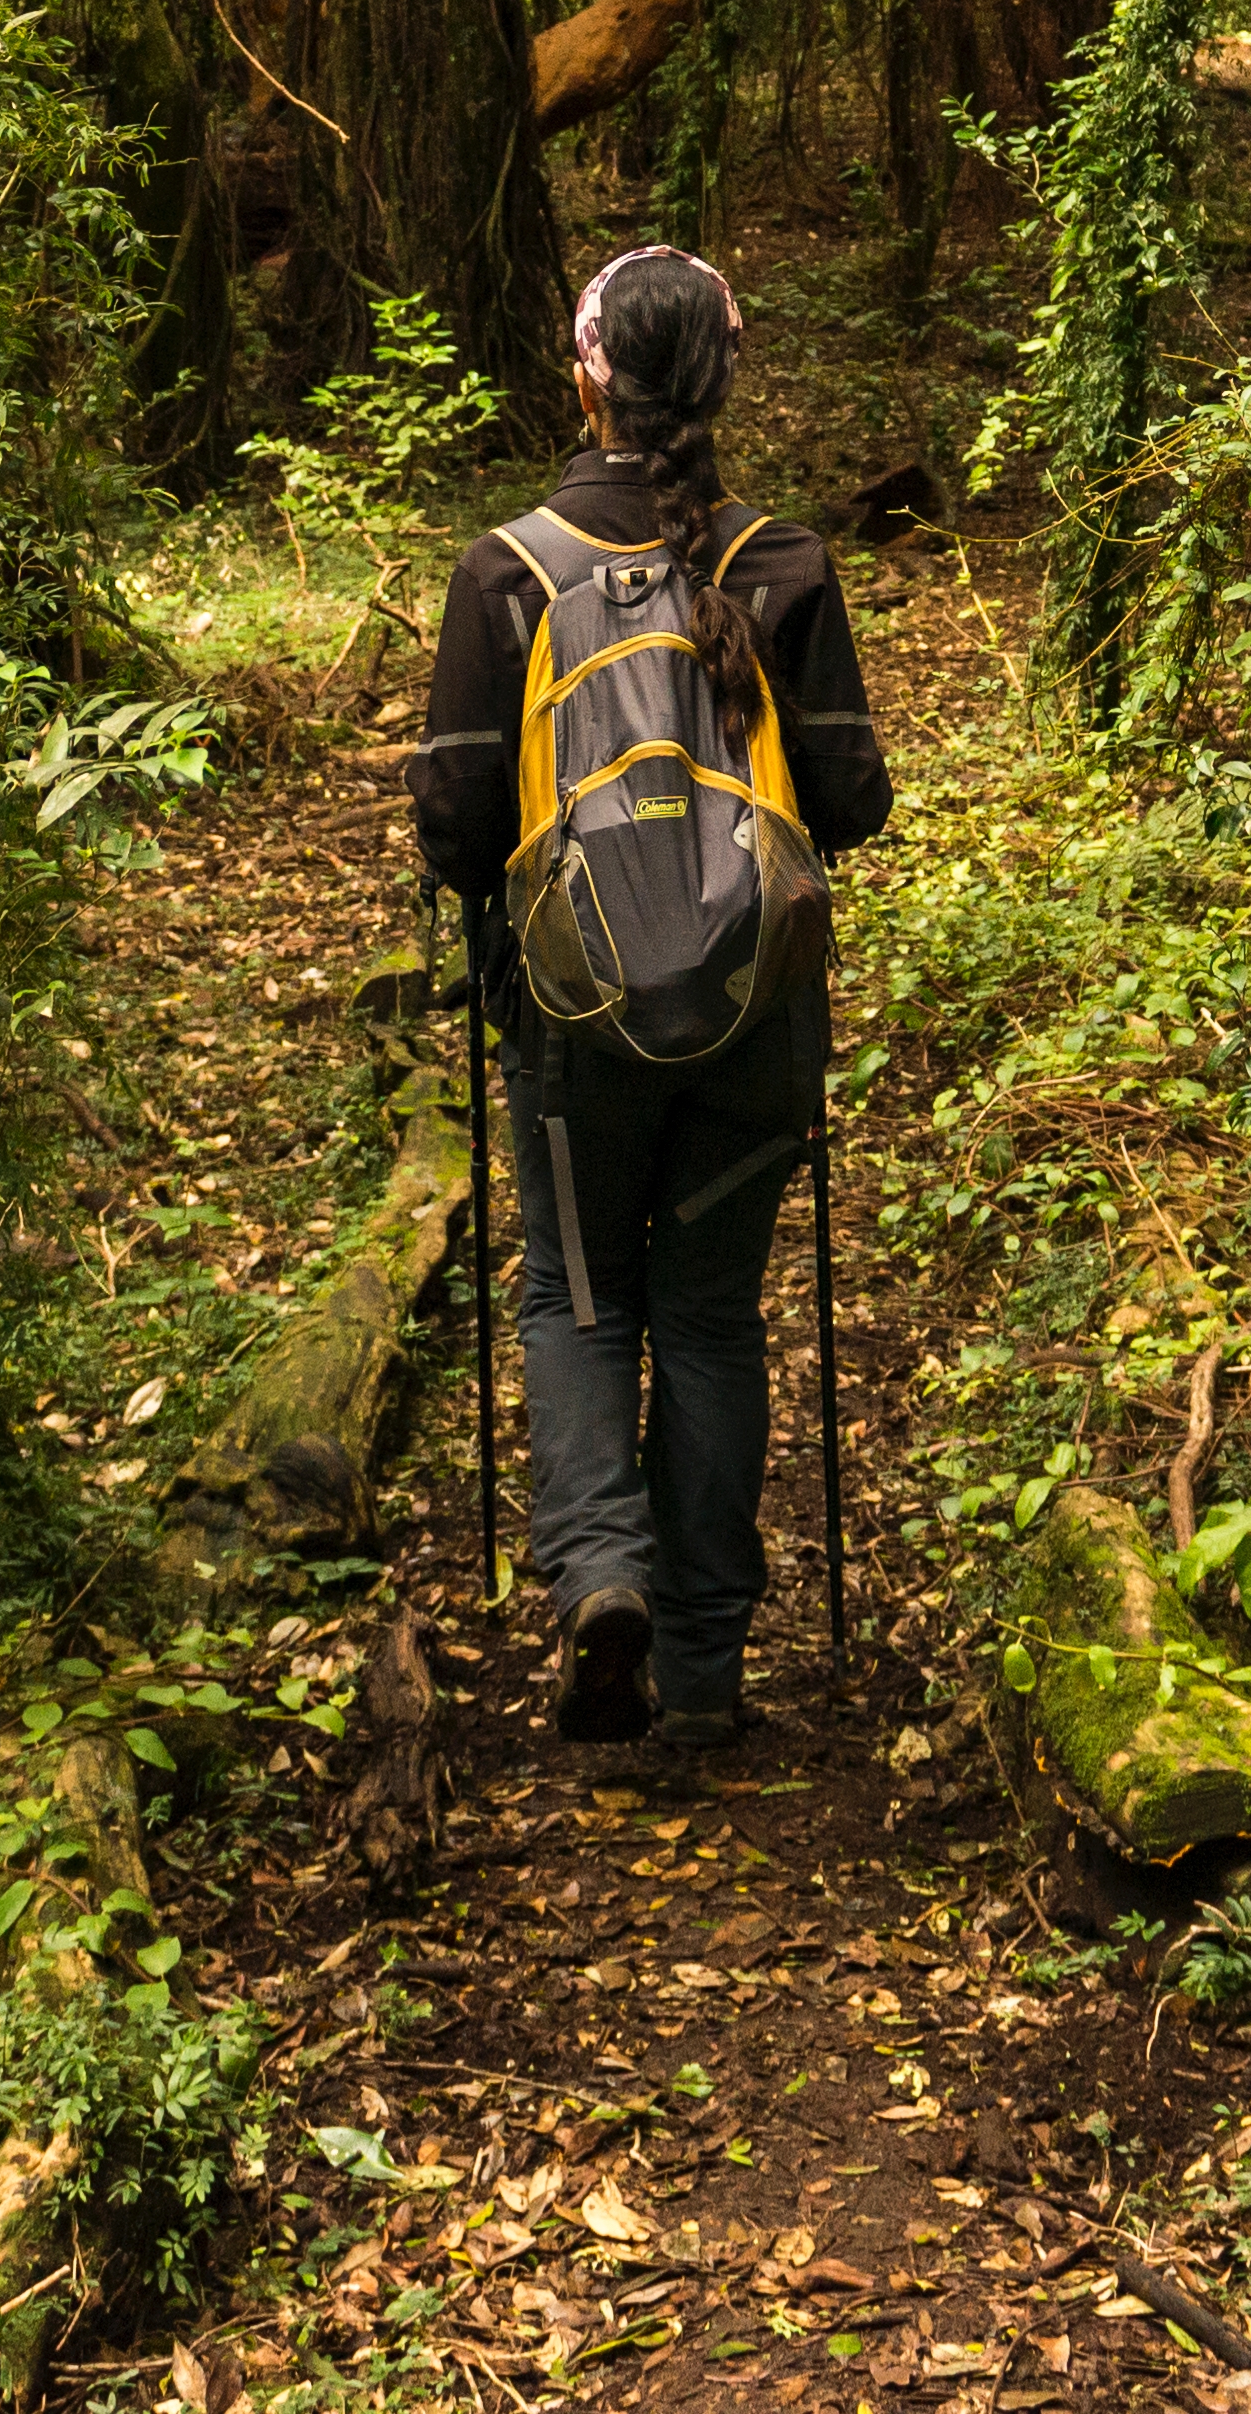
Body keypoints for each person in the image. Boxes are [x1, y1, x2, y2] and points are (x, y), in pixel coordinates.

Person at [415, 243, 892, 1749]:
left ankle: (601, 1579)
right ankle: (701, 1665)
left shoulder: (510, 572)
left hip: (571, 1032)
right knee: (706, 1317)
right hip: (756, 1025)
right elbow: (856, 803)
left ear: (587, 375)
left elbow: (453, 831)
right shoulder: (788, 564)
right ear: (726, 379)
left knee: (575, 1294)